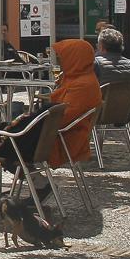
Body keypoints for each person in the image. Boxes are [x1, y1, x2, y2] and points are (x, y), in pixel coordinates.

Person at [47, 39, 102, 171]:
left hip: (64, 138)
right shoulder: (78, 78)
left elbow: (64, 117)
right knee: (6, 138)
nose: (60, 62)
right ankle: (37, 181)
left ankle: (38, 182)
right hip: (61, 133)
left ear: (74, 59)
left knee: (4, 143)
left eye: (62, 58)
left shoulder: (82, 85)